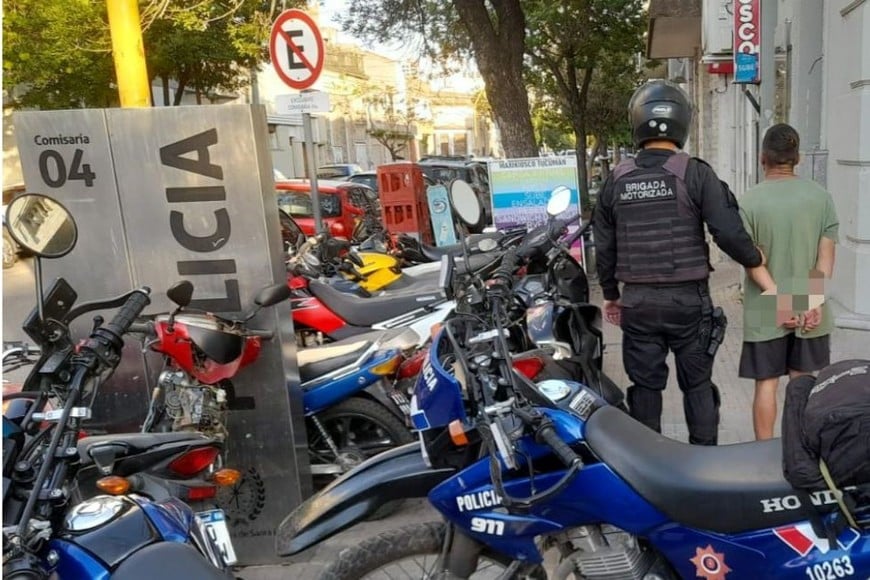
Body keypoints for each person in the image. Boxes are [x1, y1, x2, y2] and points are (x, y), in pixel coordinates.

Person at [593, 79, 772, 446]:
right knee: (698, 386)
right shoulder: (695, 172)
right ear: (682, 122)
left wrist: (611, 294)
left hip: (638, 302)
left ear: (637, 122)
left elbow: (604, 245)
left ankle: (649, 467)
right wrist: (755, 259)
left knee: (644, 388)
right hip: (689, 302)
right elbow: (727, 231)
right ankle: (703, 461)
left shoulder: (617, 179)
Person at [738, 123, 839, 440]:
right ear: (797, 158)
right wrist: (813, 301)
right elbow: (825, 258)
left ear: (762, 157)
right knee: (802, 381)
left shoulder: (749, 201)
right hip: (809, 301)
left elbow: (751, 261)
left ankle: (763, 453)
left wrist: (780, 301)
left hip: (766, 301)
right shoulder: (821, 198)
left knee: (766, 382)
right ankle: (799, 451)